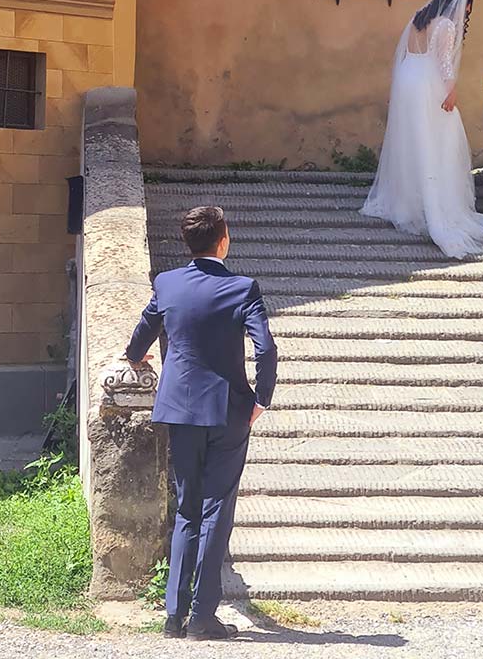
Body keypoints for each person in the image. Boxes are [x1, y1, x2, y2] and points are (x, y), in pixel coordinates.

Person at [125, 205, 278, 641]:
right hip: (229, 413)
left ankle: (173, 615)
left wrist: (136, 358)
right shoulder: (243, 288)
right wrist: (261, 400)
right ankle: (203, 617)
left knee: (187, 509)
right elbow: (265, 350)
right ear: (224, 240)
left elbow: (143, 330)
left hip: (178, 411)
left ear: (188, 242)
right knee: (216, 511)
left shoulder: (167, 283)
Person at [362, 0, 483, 257]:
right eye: (467, 7)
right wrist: (451, 90)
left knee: (414, 140)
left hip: (408, 79)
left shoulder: (418, 17)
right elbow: (443, 61)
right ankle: (436, 205)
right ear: (459, 4)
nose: (466, 13)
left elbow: (407, 54)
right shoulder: (445, 24)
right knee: (439, 139)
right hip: (427, 84)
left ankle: (408, 203)